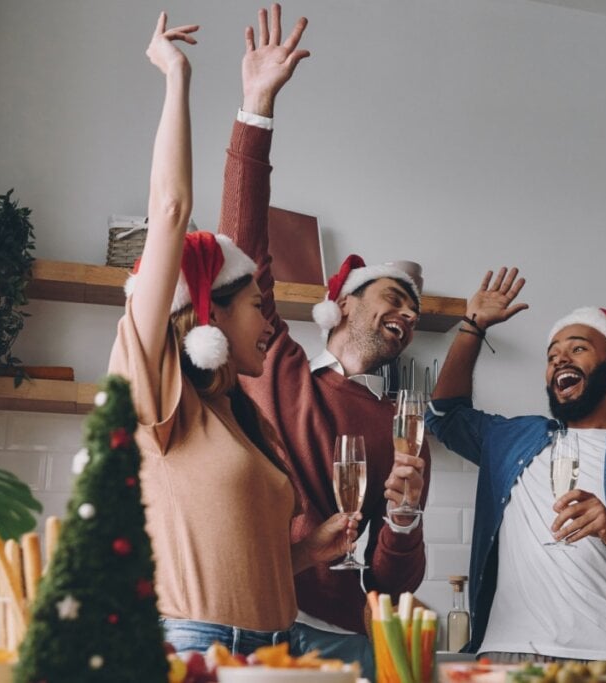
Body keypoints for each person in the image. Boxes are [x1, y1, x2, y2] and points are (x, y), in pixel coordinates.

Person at [108, 13, 356, 656]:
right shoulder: (155, 392)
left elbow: (240, 558)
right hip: (199, 650)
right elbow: (170, 212)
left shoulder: (236, 413)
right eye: (255, 304)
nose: (269, 321)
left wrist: (308, 551)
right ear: (208, 314)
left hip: (273, 650)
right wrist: (177, 76)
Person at [216, 5, 430, 673]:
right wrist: (256, 109)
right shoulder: (271, 356)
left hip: (339, 632)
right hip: (244, 615)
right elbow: (243, 245)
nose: (408, 316)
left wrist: (404, 517)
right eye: (395, 298)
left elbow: (393, 585)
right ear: (340, 307)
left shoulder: (401, 425)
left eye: (416, 312)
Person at [426, 268, 606, 670]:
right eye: (551, 356)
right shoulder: (512, 440)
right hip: (506, 656)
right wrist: (473, 325)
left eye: (576, 349)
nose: (558, 361)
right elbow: (443, 416)